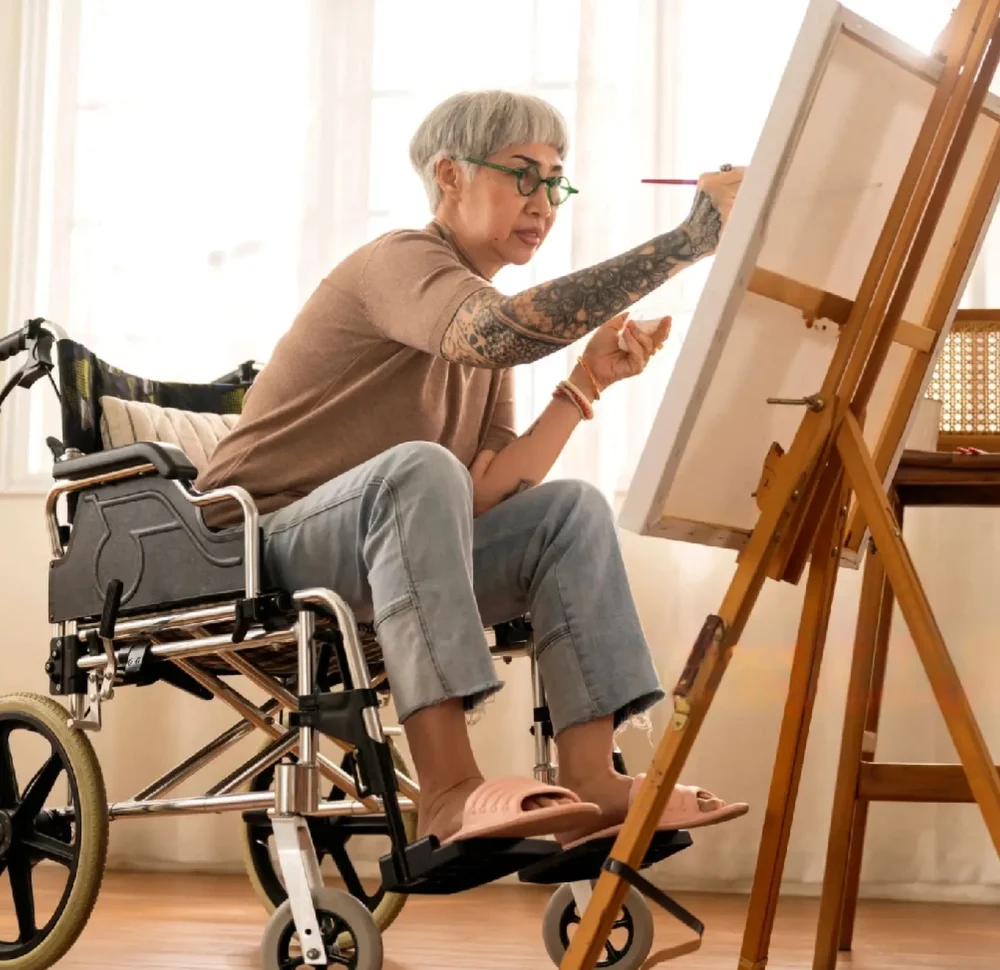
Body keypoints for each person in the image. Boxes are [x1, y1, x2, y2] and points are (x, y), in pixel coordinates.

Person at [196, 90, 748, 847]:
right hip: (261, 544)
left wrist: (585, 383)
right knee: (420, 469)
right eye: (524, 173)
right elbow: (495, 339)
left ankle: (590, 777)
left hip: (382, 549)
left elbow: (484, 492)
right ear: (450, 176)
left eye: (556, 180)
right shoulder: (400, 262)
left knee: (570, 511)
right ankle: (450, 789)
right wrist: (686, 241)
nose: (544, 200)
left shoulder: (483, 316)